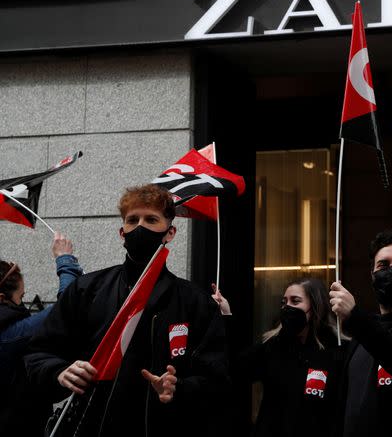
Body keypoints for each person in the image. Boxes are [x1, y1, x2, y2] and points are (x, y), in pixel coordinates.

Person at [25, 184, 229, 437]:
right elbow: (38, 354)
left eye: (151, 219)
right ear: (122, 232)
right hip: (93, 426)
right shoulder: (87, 290)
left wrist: (179, 388)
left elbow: (217, 376)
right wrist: (59, 371)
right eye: (133, 220)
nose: (140, 226)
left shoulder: (195, 301)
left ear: (170, 232)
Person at [329, 228, 392, 437]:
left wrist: (355, 317)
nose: (390, 271)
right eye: (383, 265)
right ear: (372, 275)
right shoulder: (359, 335)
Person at [215, 278, 346, 437]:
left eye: (295, 301)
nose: (287, 307)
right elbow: (237, 367)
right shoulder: (274, 346)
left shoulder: (336, 351)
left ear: (315, 307)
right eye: (284, 302)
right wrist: (226, 316)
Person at [0, 232, 83, 436]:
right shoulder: (9, 334)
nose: (23, 305)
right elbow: (66, 309)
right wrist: (65, 259)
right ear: (2, 298)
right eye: (21, 297)